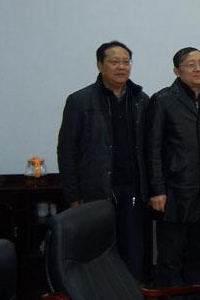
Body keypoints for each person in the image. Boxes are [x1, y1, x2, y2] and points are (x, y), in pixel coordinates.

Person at [57, 40, 151, 281]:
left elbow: (151, 148)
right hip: (95, 191)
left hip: (133, 190)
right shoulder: (80, 100)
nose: (122, 67)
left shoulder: (141, 100)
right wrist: (73, 196)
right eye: (114, 62)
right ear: (100, 65)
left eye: (126, 62)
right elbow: (66, 151)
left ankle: (133, 298)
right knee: (98, 253)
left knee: (133, 252)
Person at [147, 47, 200, 300]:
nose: (198, 69)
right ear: (177, 71)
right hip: (174, 191)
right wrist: (157, 189)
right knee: (170, 257)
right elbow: (153, 149)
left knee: (199, 256)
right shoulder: (163, 100)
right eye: (191, 64)